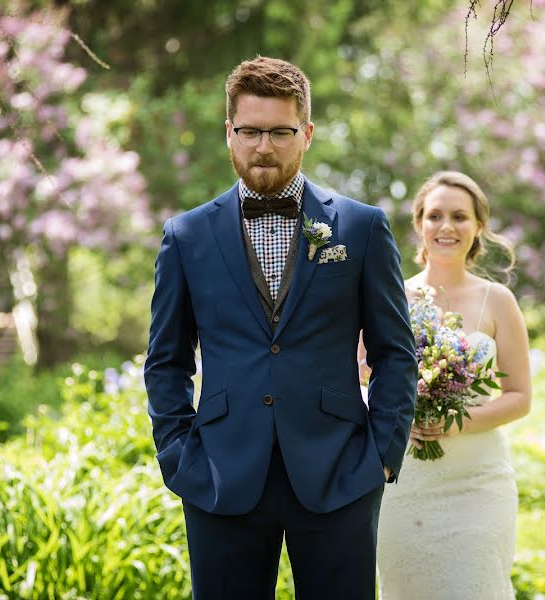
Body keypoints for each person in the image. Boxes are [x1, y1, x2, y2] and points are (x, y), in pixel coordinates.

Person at [144, 56, 417, 600]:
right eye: (249, 131)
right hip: (219, 476)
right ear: (229, 133)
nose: (263, 146)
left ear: (307, 133)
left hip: (340, 472)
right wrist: (179, 456)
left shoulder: (361, 228)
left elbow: (395, 352)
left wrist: (382, 456)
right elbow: (166, 360)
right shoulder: (186, 236)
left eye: (280, 131)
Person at [368, 171, 532, 600]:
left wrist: (456, 424)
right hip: (404, 482)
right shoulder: (390, 297)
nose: (446, 227)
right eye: (435, 215)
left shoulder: (498, 301)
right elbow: (362, 375)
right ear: (420, 224)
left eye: (459, 216)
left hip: (478, 483)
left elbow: (519, 398)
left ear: (478, 227)